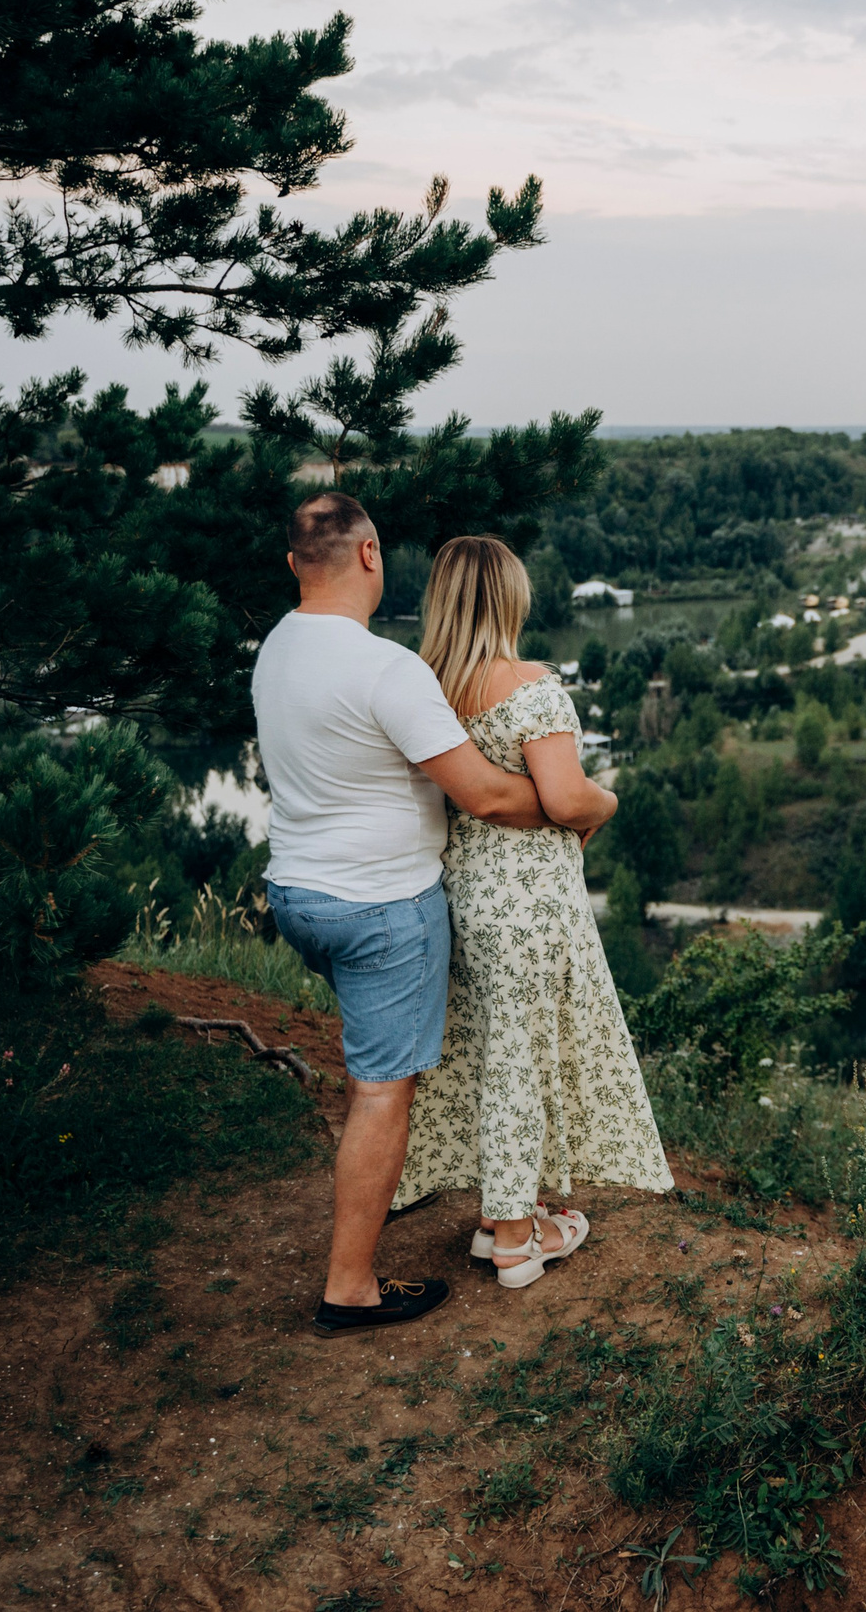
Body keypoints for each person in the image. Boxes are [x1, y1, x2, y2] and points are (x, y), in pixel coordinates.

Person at [255, 493, 552, 1338]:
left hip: (298, 894)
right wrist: (567, 806)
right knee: (382, 1092)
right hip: (380, 906)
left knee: (376, 1073)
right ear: (373, 555)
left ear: (294, 565)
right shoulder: (386, 668)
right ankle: (349, 1285)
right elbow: (487, 794)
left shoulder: (275, 649)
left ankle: (401, 1195)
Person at [394, 536, 674, 1288]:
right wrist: (609, 800)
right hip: (528, 902)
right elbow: (567, 798)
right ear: (510, 598)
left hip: (459, 893)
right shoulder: (535, 687)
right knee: (525, 1054)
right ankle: (518, 1240)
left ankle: (500, 1214)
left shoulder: (425, 690)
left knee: (493, 1049)